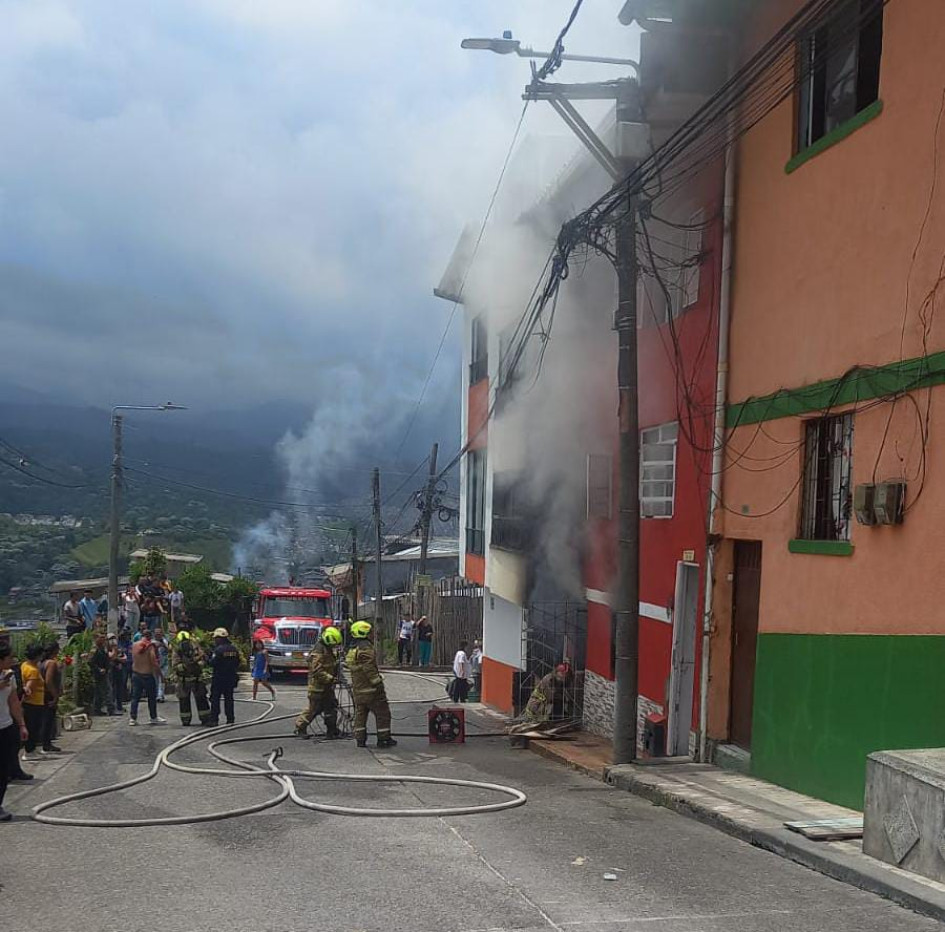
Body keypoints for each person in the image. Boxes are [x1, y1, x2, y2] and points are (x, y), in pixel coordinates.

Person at [345, 621, 396, 748]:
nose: (373, 634)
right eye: (370, 632)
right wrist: (377, 682)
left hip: (358, 690)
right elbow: (369, 669)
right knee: (383, 713)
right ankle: (383, 739)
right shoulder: (365, 649)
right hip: (371, 690)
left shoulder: (352, 649)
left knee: (360, 714)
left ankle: (360, 739)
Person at [294, 626, 342, 738]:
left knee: (331, 707)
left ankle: (332, 729)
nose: (335, 646)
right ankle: (300, 728)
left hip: (327, 687)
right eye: (334, 644)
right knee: (314, 709)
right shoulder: (319, 651)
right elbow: (317, 670)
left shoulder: (327, 649)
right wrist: (330, 678)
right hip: (317, 688)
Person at [0, 644, 30, 821]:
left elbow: (13, 702)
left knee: (4, 770)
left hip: (5, 727)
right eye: (10, 657)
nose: (13, 660)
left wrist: (22, 725)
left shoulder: (9, 677)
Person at [20, 643, 56, 757]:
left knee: (32, 727)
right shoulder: (33, 671)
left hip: (32, 703)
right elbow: (28, 688)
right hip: (34, 703)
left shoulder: (24, 665)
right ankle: (29, 751)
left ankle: (31, 749)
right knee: (33, 727)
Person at [172, 630, 211, 726]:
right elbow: (175, 665)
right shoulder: (177, 651)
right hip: (184, 680)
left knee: (201, 699)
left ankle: (205, 718)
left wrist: (197, 664)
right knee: (184, 700)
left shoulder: (196, 649)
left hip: (196, 678)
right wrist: (186, 666)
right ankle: (186, 719)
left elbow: (203, 661)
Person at [129, 629, 165, 726]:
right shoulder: (150, 647)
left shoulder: (135, 645)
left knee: (135, 698)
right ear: (150, 636)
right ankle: (153, 717)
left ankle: (133, 718)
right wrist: (161, 675)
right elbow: (154, 661)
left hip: (136, 674)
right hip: (147, 675)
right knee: (151, 698)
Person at [208, 627, 241, 726]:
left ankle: (214, 720)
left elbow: (212, 663)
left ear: (219, 638)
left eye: (215, 638)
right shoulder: (234, 649)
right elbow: (238, 662)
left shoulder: (218, 650)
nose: (215, 641)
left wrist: (207, 658)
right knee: (229, 699)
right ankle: (230, 718)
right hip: (231, 678)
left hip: (219, 678)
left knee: (215, 699)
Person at [42, 642, 64, 750]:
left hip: (43, 693)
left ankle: (46, 742)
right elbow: (49, 680)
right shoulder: (51, 663)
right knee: (49, 719)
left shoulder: (42, 663)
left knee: (46, 718)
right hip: (49, 694)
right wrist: (55, 696)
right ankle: (46, 743)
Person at [90, 633, 117, 716]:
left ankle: (97, 709)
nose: (103, 640)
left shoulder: (103, 648)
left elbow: (107, 659)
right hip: (98, 673)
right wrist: (99, 669)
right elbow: (91, 662)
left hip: (104, 672)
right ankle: (110, 709)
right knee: (107, 691)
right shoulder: (95, 650)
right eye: (101, 638)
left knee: (99, 692)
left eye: (104, 638)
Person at [108, 634, 126, 713]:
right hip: (111, 671)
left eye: (114, 638)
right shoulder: (107, 649)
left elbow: (124, 659)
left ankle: (119, 706)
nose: (113, 640)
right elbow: (112, 657)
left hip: (119, 671)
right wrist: (117, 657)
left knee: (120, 689)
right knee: (112, 690)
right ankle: (113, 707)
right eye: (111, 639)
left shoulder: (119, 649)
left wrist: (117, 658)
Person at [153, 626, 170, 702]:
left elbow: (169, 650)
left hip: (164, 663)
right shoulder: (152, 641)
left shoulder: (164, 641)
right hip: (154, 664)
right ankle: (156, 694)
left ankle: (160, 695)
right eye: (156, 633)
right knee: (155, 680)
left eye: (159, 633)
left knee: (162, 679)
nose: (158, 634)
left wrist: (163, 643)